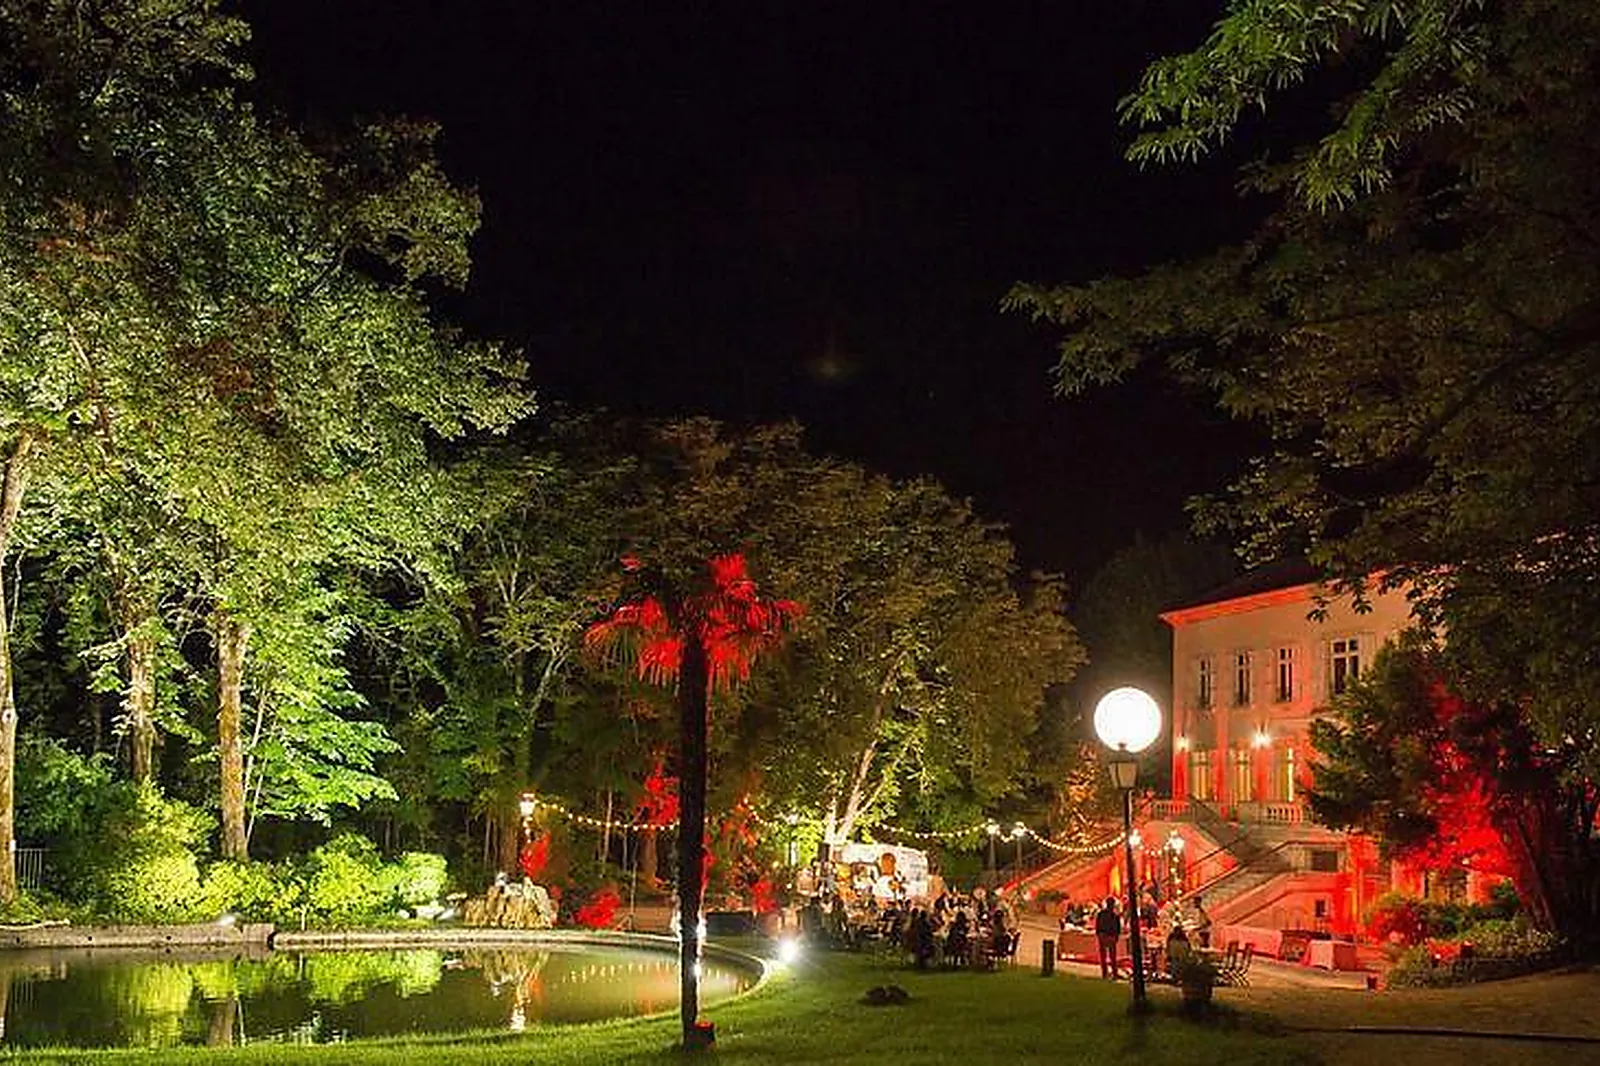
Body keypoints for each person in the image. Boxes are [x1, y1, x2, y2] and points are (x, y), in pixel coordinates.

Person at [1094, 896, 1122, 980]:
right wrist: (1116, 937)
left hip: (1102, 936)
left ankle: (1104, 973)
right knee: (1112, 956)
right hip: (1111, 936)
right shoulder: (1115, 915)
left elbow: (1097, 925)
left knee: (1103, 956)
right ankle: (1114, 973)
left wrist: (1098, 934)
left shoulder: (1100, 914)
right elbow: (1117, 928)